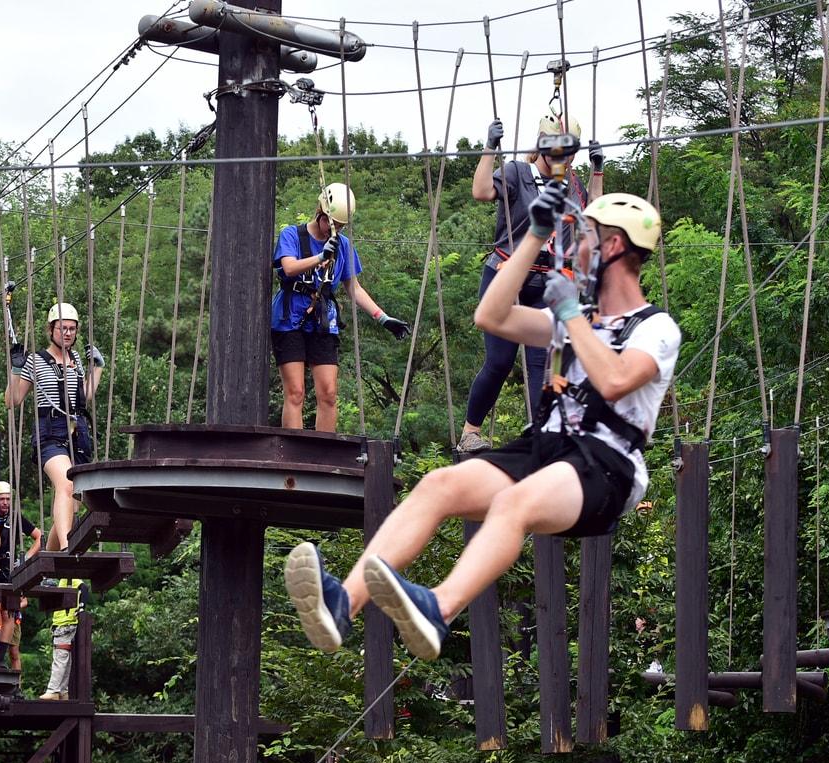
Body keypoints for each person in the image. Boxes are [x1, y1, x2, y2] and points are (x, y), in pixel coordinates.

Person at [285, 184, 679, 662]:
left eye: (584, 238)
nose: (571, 249)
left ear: (613, 247)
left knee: (514, 502)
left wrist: (572, 314)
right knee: (437, 485)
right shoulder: (571, 320)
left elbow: (616, 380)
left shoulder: (655, 327)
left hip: (606, 463)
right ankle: (342, 603)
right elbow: (490, 315)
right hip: (546, 446)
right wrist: (532, 235)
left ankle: (440, 609)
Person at [457, 113, 603, 453]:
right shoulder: (517, 173)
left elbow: (593, 219)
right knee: (500, 360)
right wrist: (489, 148)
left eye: (566, 155)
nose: (559, 160)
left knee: (544, 361)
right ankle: (470, 432)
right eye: (553, 152)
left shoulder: (574, 183)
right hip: (507, 274)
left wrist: (598, 172)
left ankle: (543, 430)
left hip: (548, 280)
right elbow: (480, 191)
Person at [271, 183, 410, 432]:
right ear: (320, 214)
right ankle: (291, 456)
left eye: (342, 226)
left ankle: (322, 456)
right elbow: (289, 268)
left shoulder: (342, 245)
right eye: (332, 224)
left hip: (322, 319)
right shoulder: (292, 235)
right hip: (289, 317)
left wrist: (383, 318)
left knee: (329, 393)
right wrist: (320, 257)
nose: (335, 231)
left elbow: (353, 287)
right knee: (295, 392)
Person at [5, 303, 104, 553]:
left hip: (77, 432)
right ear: (51, 330)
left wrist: (97, 368)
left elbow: (84, 396)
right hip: (50, 432)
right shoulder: (36, 360)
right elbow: (12, 401)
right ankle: (67, 546)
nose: (68, 333)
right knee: (67, 484)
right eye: (63, 328)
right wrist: (16, 369)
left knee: (73, 503)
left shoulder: (76, 360)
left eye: (72, 329)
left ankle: (48, 554)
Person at [0, 480, 43, 670]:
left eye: (7, 499)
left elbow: (39, 537)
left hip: (10, 568)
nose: (5, 503)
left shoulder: (16, 518)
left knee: (9, 612)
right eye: (1, 499)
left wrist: (26, 558)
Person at [40, 576, 87, 701]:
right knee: (65, 659)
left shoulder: (70, 580)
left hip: (65, 624)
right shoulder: (63, 581)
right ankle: (62, 691)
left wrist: (81, 608)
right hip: (64, 624)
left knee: (60, 658)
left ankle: (53, 690)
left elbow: (84, 588)